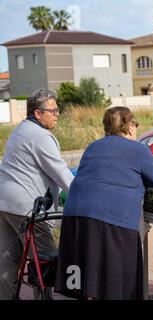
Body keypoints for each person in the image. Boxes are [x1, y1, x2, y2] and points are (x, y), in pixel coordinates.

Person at [55, 106, 153, 300]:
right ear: (130, 126)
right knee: (118, 281)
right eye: (135, 123)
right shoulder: (137, 149)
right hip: (112, 218)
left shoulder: (93, 146)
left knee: (86, 277)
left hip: (76, 216)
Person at [0, 89, 74, 299]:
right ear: (37, 113)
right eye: (52, 110)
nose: (57, 114)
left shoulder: (21, 129)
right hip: (25, 206)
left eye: (57, 109)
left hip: (5, 203)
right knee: (45, 258)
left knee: (7, 259)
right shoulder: (40, 136)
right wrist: (83, 194)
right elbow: (61, 172)